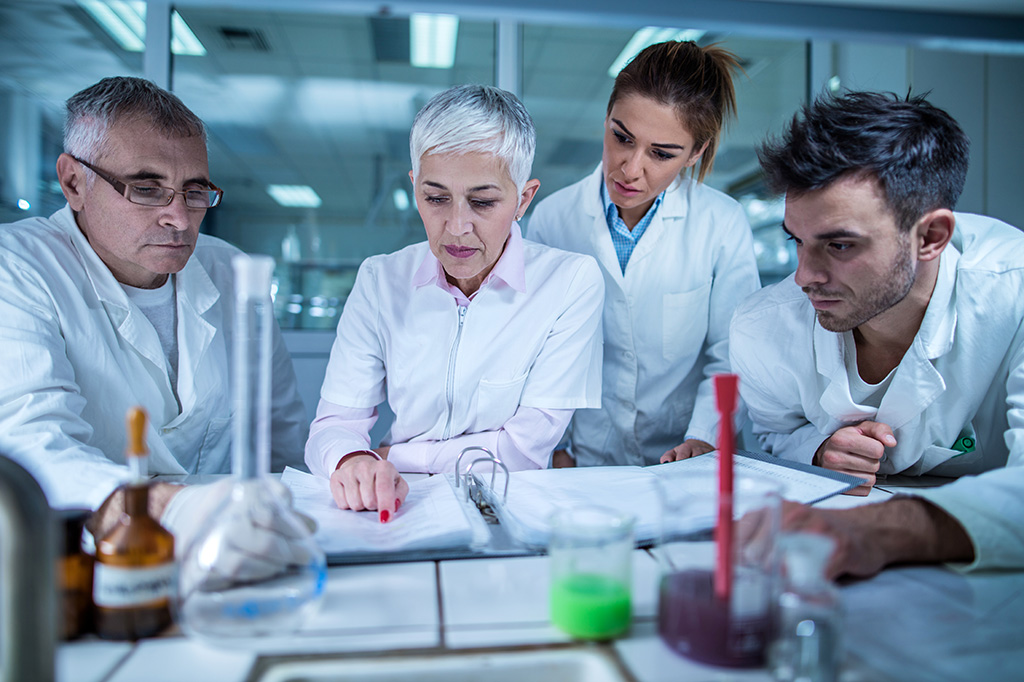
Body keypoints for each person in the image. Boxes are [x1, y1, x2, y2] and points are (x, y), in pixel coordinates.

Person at [730, 90, 1024, 577]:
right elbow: (775, 434)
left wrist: (882, 529)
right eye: (797, 240)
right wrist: (819, 450)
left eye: (839, 245)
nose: (804, 276)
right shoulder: (764, 326)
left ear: (930, 237)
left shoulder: (1013, 289)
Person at [0, 77, 307, 540]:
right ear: (73, 182)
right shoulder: (18, 268)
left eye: (195, 191)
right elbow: (34, 447)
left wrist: (292, 522)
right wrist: (170, 511)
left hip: (231, 546)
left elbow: (281, 435)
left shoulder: (228, 269)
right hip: (85, 560)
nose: (179, 218)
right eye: (146, 188)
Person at [305, 84, 604, 518]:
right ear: (414, 187)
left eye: (482, 202)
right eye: (436, 198)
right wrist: (353, 461)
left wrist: (392, 457)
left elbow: (522, 451)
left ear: (524, 198)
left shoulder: (570, 283)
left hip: (509, 508)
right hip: (400, 510)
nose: (457, 227)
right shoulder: (380, 280)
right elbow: (333, 427)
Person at [528, 40, 760, 468]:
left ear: (695, 154)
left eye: (661, 153)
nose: (631, 168)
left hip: (683, 461)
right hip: (582, 462)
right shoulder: (553, 220)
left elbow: (732, 354)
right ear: (606, 119)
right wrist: (554, 446)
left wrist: (705, 437)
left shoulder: (722, 224)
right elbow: (538, 354)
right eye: (622, 137)